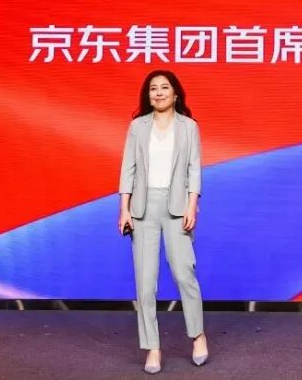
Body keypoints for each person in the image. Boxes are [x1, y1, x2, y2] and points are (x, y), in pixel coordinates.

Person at [118, 69, 208, 374]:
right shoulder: (137, 127)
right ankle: (152, 347)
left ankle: (197, 335)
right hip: (143, 209)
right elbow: (128, 169)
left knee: (184, 273)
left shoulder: (189, 127)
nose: (158, 92)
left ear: (175, 93)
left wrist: (192, 206)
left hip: (177, 206)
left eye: (164, 87)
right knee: (145, 283)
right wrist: (124, 209)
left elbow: (194, 169)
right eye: (153, 88)